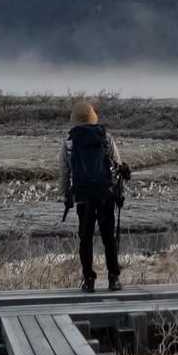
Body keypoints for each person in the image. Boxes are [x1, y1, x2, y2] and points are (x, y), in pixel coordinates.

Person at [59, 100, 129, 292]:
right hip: (105, 194)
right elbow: (117, 165)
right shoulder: (106, 137)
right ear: (92, 118)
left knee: (86, 239)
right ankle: (113, 279)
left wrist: (66, 195)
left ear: (75, 120)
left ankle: (88, 280)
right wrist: (119, 192)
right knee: (108, 238)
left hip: (83, 196)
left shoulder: (69, 142)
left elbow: (65, 172)